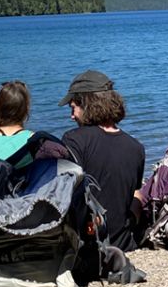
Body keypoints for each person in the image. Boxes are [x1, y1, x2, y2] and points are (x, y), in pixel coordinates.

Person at [59, 70, 146, 251]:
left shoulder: (74, 140)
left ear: (87, 104)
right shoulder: (136, 147)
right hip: (122, 243)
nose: (72, 116)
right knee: (137, 194)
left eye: (73, 107)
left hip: (88, 242)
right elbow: (133, 195)